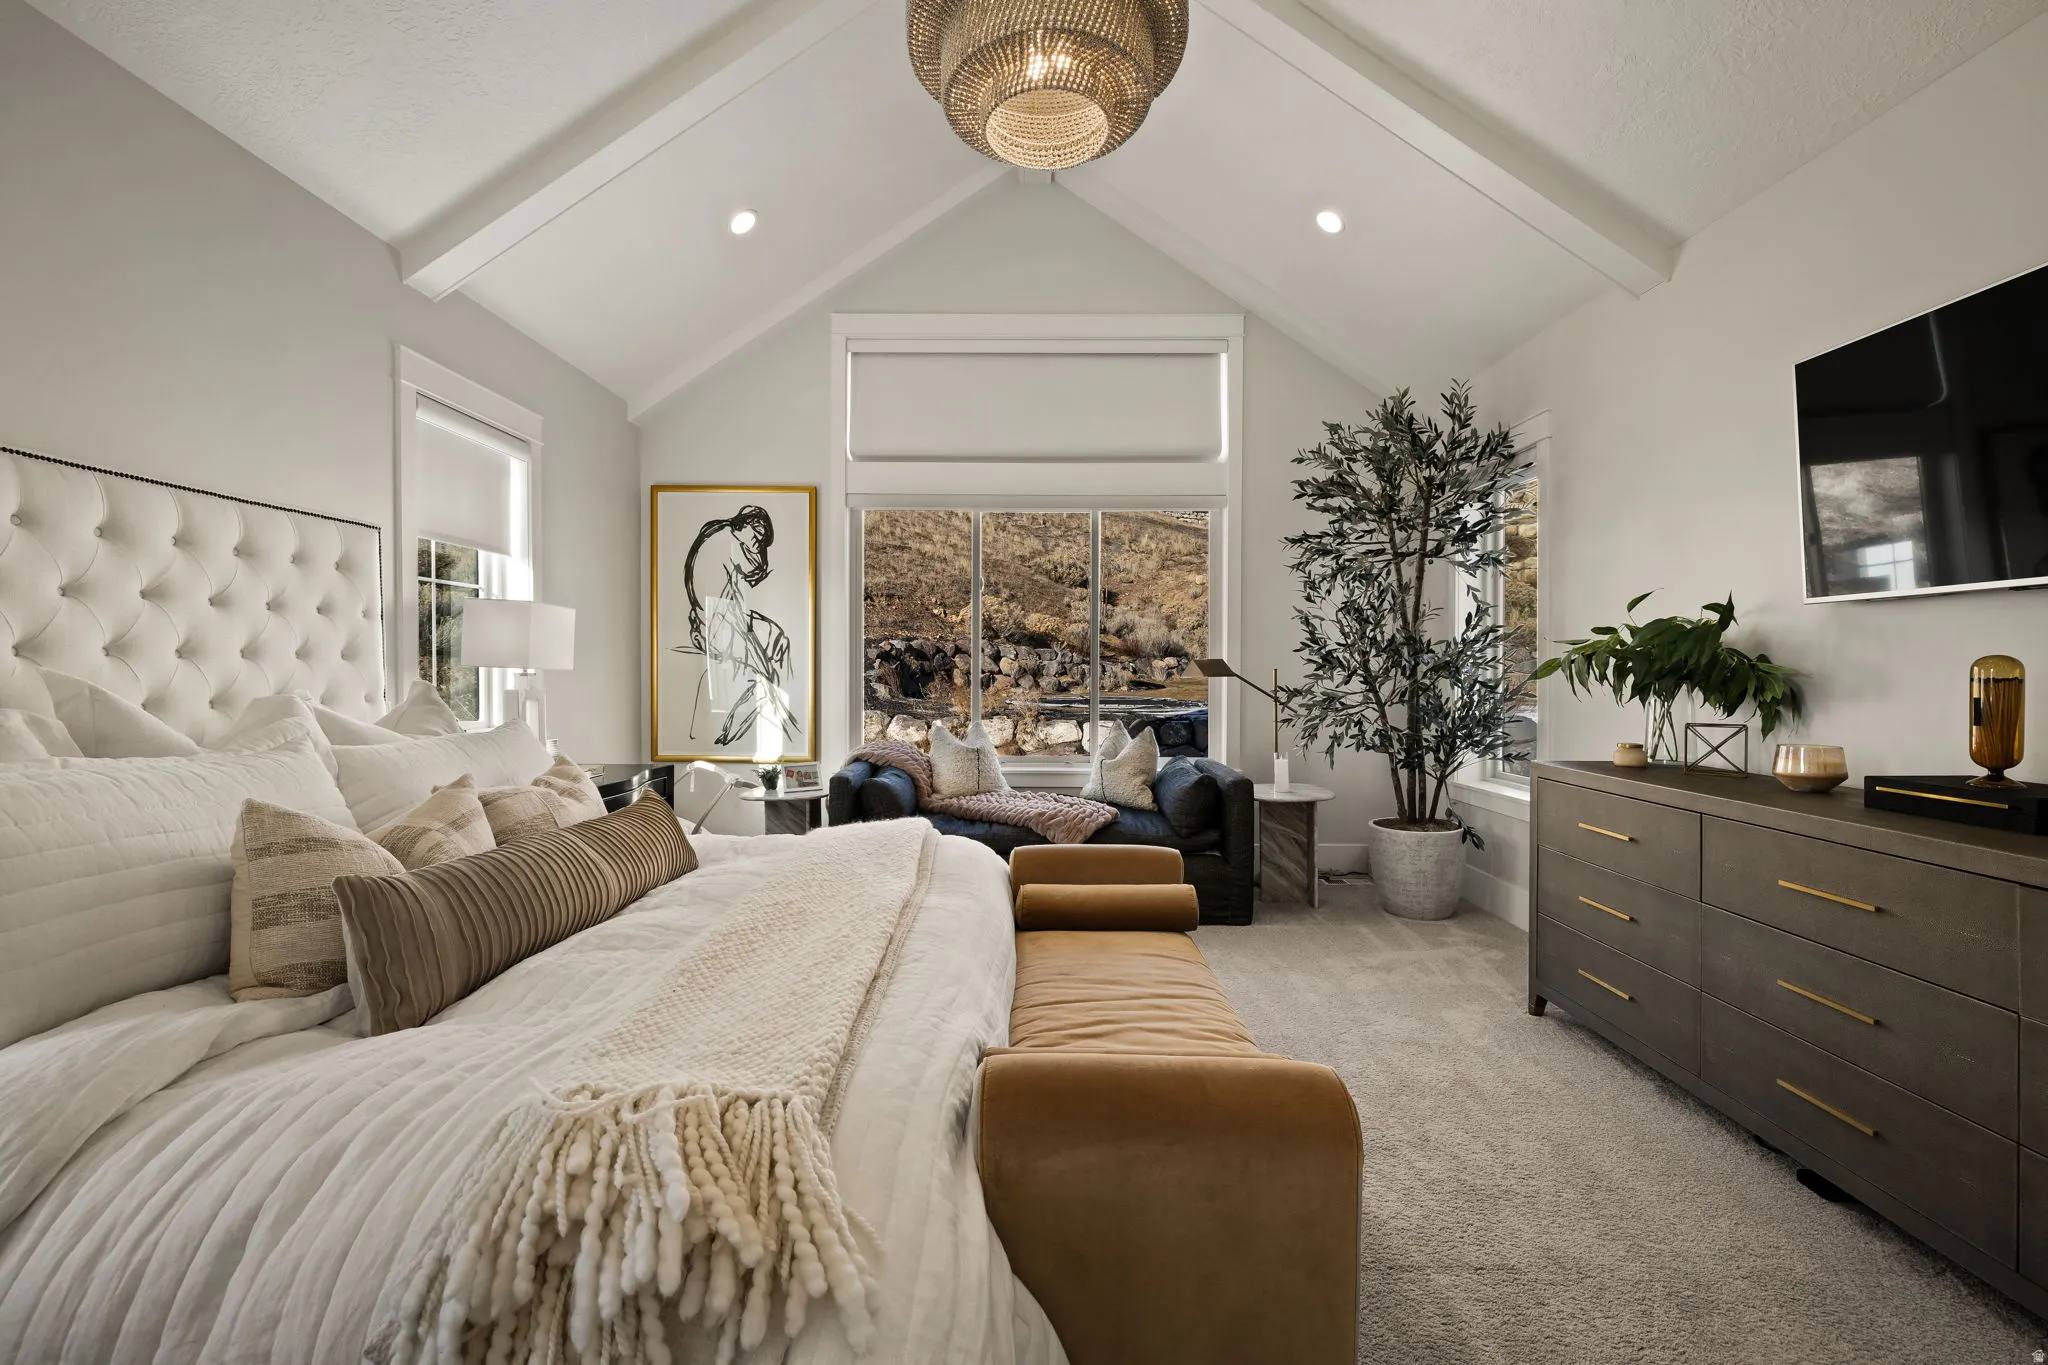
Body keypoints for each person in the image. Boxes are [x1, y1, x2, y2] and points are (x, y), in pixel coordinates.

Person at [675, 505, 796, 749]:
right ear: (744, 524)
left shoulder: (717, 532)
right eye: (757, 534)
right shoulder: (728, 540)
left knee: (776, 638)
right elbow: (755, 570)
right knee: (766, 676)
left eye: (761, 538)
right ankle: (731, 733)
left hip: (717, 614)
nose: (757, 541)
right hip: (718, 620)